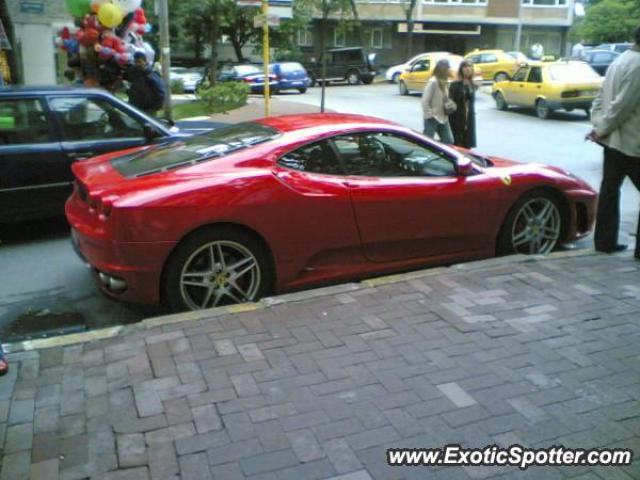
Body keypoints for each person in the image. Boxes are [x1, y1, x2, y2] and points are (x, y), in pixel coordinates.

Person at [588, 25, 640, 259]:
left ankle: (604, 242)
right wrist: (602, 129)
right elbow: (622, 106)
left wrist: (599, 127)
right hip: (632, 143)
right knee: (610, 191)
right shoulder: (637, 65)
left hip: (613, 142)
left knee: (609, 191)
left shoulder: (619, 60)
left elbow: (600, 99)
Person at [422, 59, 454, 144]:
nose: (448, 70)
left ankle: (437, 150)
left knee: (448, 140)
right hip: (433, 117)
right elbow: (425, 100)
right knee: (426, 142)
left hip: (443, 117)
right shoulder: (433, 81)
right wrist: (429, 115)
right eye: (447, 68)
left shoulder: (445, 81)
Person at [124, 51, 166, 116]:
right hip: (135, 108)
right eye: (136, 62)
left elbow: (160, 92)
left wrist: (156, 107)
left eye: (139, 62)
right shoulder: (134, 74)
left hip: (149, 110)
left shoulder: (151, 75)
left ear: (145, 62)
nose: (137, 64)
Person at [449, 60, 477, 149]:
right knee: (457, 145)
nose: (468, 69)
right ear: (461, 69)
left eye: (470, 67)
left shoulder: (472, 85)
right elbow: (451, 101)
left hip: (469, 119)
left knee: (467, 146)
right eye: (465, 67)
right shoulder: (455, 84)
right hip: (457, 118)